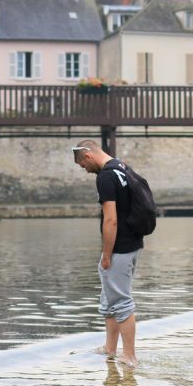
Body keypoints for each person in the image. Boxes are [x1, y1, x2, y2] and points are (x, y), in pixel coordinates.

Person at [72, 140, 143, 368]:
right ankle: (110, 349)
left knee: (121, 302)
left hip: (119, 247)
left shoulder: (105, 177)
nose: (84, 170)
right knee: (110, 299)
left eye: (83, 165)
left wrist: (106, 254)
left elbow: (110, 219)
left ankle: (130, 356)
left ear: (88, 156)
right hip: (132, 242)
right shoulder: (122, 166)